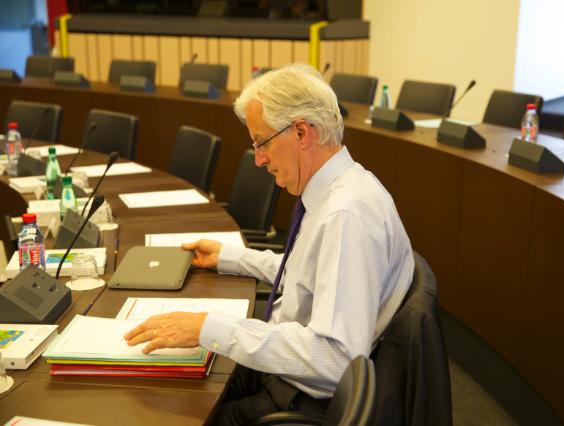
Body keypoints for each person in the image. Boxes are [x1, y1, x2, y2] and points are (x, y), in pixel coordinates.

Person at [124, 63, 414, 425]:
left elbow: (337, 359)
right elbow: (309, 275)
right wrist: (231, 258)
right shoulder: (339, 189)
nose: (259, 159)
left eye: (262, 143)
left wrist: (209, 328)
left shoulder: (346, 214)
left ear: (302, 133)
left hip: (299, 395)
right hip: (282, 365)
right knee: (156, 383)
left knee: (165, 411)